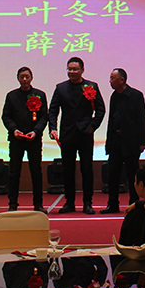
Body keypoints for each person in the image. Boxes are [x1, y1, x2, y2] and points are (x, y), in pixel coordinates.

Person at [48, 56, 106, 215]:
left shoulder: (91, 86)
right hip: (67, 134)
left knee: (86, 169)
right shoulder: (61, 88)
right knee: (68, 170)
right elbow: (53, 110)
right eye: (69, 69)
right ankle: (69, 203)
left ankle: (88, 203)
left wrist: (93, 126)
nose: (72, 72)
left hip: (85, 133)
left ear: (82, 70)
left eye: (75, 69)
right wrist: (52, 128)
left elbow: (101, 109)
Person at [2, 66, 49, 212]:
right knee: (14, 172)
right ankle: (12, 204)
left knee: (36, 172)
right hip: (16, 139)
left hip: (34, 139)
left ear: (31, 78)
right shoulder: (11, 96)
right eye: (21, 77)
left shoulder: (40, 95)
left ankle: (38, 204)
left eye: (27, 77)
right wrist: (14, 130)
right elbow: (6, 116)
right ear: (18, 78)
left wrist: (36, 131)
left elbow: (44, 117)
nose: (24, 79)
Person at [102, 68, 145, 214]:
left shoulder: (136, 95)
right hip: (115, 140)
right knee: (113, 174)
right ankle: (112, 204)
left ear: (121, 80)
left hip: (131, 141)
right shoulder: (114, 96)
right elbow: (111, 121)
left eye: (112, 78)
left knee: (132, 174)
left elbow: (142, 119)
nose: (110, 81)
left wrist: (142, 142)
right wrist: (108, 143)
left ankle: (134, 204)